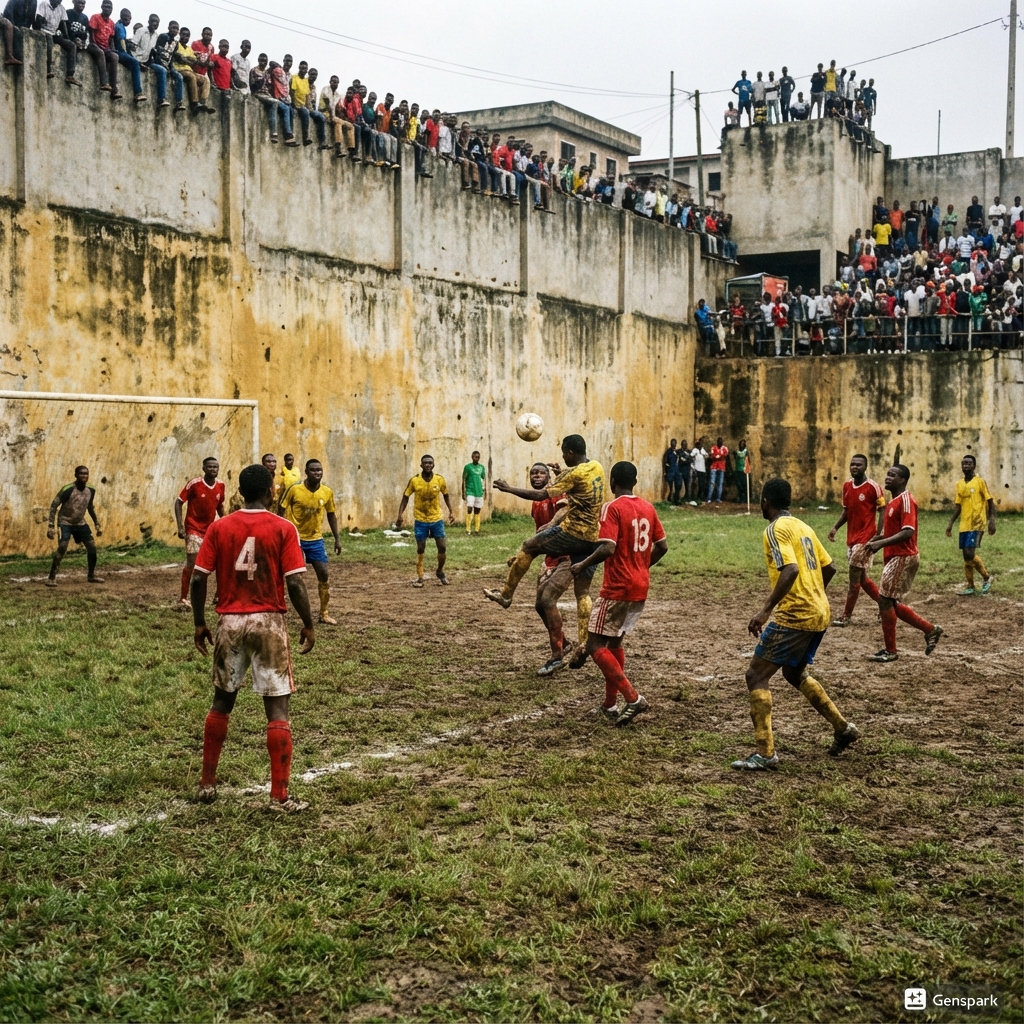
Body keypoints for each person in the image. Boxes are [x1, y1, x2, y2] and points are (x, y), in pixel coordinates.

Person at [191, 463, 314, 814]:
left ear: (240, 492)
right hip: (268, 622)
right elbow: (294, 582)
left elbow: (199, 579)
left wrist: (200, 622)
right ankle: (279, 797)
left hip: (229, 622)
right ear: (271, 490)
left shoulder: (219, 527)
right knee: (277, 708)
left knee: (222, 702)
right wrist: (309, 623)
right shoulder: (282, 527)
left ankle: (207, 783)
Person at [732, 477, 860, 771]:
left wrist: (765, 611)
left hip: (796, 614)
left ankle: (765, 754)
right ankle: (843, 728)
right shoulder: (803, 526)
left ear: (765, 501)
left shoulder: (775, 529)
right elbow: (830, 567)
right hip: (820, 612)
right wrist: (815, 593)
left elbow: (789, 570)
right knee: (794, 672)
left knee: (756, 676)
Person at [486, 434, 605, 668]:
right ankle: (582, 644)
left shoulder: (570, 477)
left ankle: (507, 595)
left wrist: (509, 489)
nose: (562, 455)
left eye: (563, 452)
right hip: (594, 537)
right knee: (582, 593)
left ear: (570, 453)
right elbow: (575, 485)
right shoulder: (595, 466)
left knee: (530, 547)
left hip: (573, 535)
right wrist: (562, 473)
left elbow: (545, 495)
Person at [570, 461, 667, 726]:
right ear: (634, 482)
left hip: (617, 587)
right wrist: (641, 566)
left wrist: (583, 563)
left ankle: (633, 698)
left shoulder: (612, 508)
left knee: (594, 645)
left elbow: (607, 547)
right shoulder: (648, 507)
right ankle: (610, 705)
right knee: (615, 643)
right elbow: (662, 546)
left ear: (613, 482)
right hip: (640, 585)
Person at [863, 465, 943, 662]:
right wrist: (878, 539)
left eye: (893, 475)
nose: (888, 477)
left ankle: (892, 651)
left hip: (903, 556)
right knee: (890, 602)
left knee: (885, 601)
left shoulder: (906, 500)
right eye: (888, 474)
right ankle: (930, 630)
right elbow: (894, 531)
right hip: (895, 556)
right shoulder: (894, 501)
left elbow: (908, 531)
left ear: (903, 480)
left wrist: (881, 543)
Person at [523, 462, 572, 676]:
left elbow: (564, 509)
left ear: (548, 477)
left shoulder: (557, 494)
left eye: (541, 472)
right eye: (533, 473)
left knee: (547, 601)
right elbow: (540, 539)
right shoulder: (536, 504)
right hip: (552, 557)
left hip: (570, 555)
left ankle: (556, 656)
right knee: (539, 605)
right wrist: (520, 556)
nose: (536, 476)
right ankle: (565, 642)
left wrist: (552, 523)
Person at [279, 459, 341, 624]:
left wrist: (337, 539)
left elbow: (331, 514)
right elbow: (281, 508)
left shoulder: (327, 492)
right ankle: (292, 611)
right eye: (313, 470)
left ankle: (324, 613)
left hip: (316, 540)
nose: (317, 473)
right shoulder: (294, 489)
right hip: (296, 539)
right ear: (306, 472)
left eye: (319, 470)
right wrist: (281, 531)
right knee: (295, 577)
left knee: (324, 574)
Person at [827, 454, 884, 627]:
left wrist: (879, 535)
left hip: (866, 539)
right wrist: (835, 527)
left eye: (858, 465)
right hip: (852, 539)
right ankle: (886, 605)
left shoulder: (873, 487)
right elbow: (847, 511)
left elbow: (883, 510)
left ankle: (846, 616)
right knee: (863, 579)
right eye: (852, 464)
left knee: (853, 580)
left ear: (865, 467)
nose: (854, 467)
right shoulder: (846, 486)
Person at [395, 454, 455, 587]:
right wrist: (400, 515)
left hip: (436, 518)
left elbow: (446, 495)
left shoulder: (439, 480)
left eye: (430, 463)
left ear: (433, 465)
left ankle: (440, 571)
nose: (428, 465)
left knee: (442, 546)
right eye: (425, 463)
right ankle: (420, 576)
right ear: (421, 465)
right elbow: (405, 497)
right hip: (420, 518)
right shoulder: (414, 481)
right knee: (421, 547)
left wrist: (451, 511)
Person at [174, 457, 226, 606]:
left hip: (209, 530)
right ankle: (184, 598)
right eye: (210, 467)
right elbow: (178, 502)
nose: (213, 469)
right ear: (204, 468)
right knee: (193, 564)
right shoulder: (194, 484)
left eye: (215, 467)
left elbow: (219, 506)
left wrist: (226, 521)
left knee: (220, 561)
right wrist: (180, 526)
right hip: (193, 528)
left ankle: (218, 596)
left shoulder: (221, 485)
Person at [945, 454, 996, 595]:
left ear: (974, 466)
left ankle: (986, 577)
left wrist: (992, 520)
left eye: (968, 463)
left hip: (978, 523)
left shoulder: (980, 482)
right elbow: (958, 506)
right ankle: (970, 586)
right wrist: (950, 523)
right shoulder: (959, 484)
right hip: (964, 524)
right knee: (966, 556)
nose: (966, 466)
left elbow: (990, 501)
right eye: (964, 464)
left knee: (969, 552)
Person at [46, 464, 103, 586]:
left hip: (80, 522)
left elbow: (90, 507)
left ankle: (91, 575)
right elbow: (54, 505)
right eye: (81, 473)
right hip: (65, 522)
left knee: (92, 548)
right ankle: (51, 577)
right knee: (62, 547)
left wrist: (97, 523)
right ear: (76, 475)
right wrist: (51, 525)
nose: (84, 475)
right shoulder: (67, 489)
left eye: (86, 473)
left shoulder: (91, 490)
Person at [34, 0, 78, 84]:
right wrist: (40, 23)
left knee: (72, 45)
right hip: (43, 31)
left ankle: (70, 75)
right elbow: (38, 19)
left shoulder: (61, 8)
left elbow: (63, 24)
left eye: (59, 1)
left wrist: (66, 37)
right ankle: (48, 69)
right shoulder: (44, 4)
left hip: (54, 33)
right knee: (49, 40)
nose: (57, 3)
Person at [462, 450, 486, 535]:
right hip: (470, 491)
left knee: (477, 510)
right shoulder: (468, 467)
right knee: (469, 508)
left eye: (478, 457)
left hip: (479, 491)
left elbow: (483, 479)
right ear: (472, 457)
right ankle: (468, 529)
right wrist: (463, 492)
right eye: (475, 457)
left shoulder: (482, 467)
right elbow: (464, 479)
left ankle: (476, 529)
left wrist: (484, 492)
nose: (477, 458)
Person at [707, 436, 728, 503]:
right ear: (717, 442)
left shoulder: (725, 448)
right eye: (719, 442)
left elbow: (725, 456)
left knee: (720, 483)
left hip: (721, 468)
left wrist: (717, 457)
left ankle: (718, 498)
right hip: (714, 467)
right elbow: (712, 457)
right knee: (712, 483)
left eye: (721, 442)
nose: (720, 443)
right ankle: (709, 498)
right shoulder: (713, 448)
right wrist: (719, 457)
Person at [662, 438, 682, 504]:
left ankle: (676, 499)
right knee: (670, 486)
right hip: (670, 471)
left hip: (676, 471)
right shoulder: (668, 452)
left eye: (674, 443)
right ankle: (670, 498)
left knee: (678, 485)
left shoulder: (677, 452)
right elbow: (665, 461)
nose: (673, 445)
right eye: (672, 443)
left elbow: (680, 460)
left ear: (676, 444)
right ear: (671, 444)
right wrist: (665, 471)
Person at [689, 438, 708, 503]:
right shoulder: (695, 450)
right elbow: (691, 456)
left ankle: (700, 496)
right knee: (698, 483)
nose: (701, 445)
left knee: (702, 484)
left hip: (703, 469)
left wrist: (705, 455)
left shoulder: (703, 450)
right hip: (697, 469)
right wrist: (693, 464)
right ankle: (695, 497)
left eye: (701, 444)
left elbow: (707, 455)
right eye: (699, 444)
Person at [734, 439, 750, 504]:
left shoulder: (746, 452)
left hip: (743, 471)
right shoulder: (737, 452)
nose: (741, 445)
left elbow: (748, 460)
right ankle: (741, 497)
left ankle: (744, 498)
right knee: (738, 484)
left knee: (744, 485)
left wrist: (747, 469)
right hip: (738, 470)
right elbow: (736, 460)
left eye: (742, 444)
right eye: (740, 444)